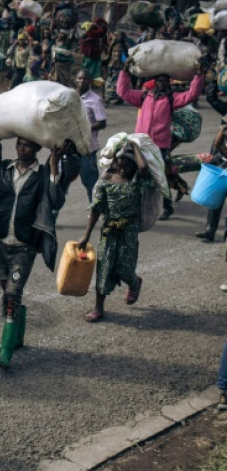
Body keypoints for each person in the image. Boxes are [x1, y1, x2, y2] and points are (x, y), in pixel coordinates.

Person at [0, 136, 66, 369]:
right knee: (6, 288)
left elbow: (55, 199)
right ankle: (17, 337)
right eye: (20, 144)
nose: (22, 148)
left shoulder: (42, 174)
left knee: (12, 292)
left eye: (28, 145)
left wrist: (54, 164)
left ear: (38, 148)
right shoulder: (3, 169)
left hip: (25, 247)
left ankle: (6, 350)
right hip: (2, 243)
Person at [116, 62, 204, 220]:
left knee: (159, 176)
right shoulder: (144, 97)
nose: (163, 84)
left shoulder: (172, 99)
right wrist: (124, 73)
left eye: (166, 81)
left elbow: (191, 94)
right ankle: (134, 205)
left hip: (159, 146)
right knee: (133, 173)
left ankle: (167, 206)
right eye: (160, 80)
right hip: (140, 143)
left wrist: (198, 76)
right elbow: (123, 92)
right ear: (154, 82)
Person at [77, 142, 150, 322]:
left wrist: (135, 147)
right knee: (104, 269)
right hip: (109, 231)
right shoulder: (106, 180)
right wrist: (86, 235)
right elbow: (96, 209)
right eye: (121, 163)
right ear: (114, 162)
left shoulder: (137, 181)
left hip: (129, 232)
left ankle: (134, 282)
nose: (124, 168)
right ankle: (98, 308)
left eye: (129, 164)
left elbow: (144, 168)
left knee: (125, 268)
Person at [196, 87, 227, 241]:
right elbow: (212, 99)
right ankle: (210, 230)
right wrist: (210, 79)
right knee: (216, 194)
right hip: (222, 160)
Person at [76, 69, 108, 202]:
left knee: (90, 183)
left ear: (90, 82)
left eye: (85, 79)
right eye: (79, 78)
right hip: (69, 147)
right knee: (60, 182)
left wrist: (85, 128)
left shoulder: (95, 100)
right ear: (75, 79)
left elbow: (102, 123)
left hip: (87, 148)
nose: (82, 81)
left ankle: (96, 210)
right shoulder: (70, 96)